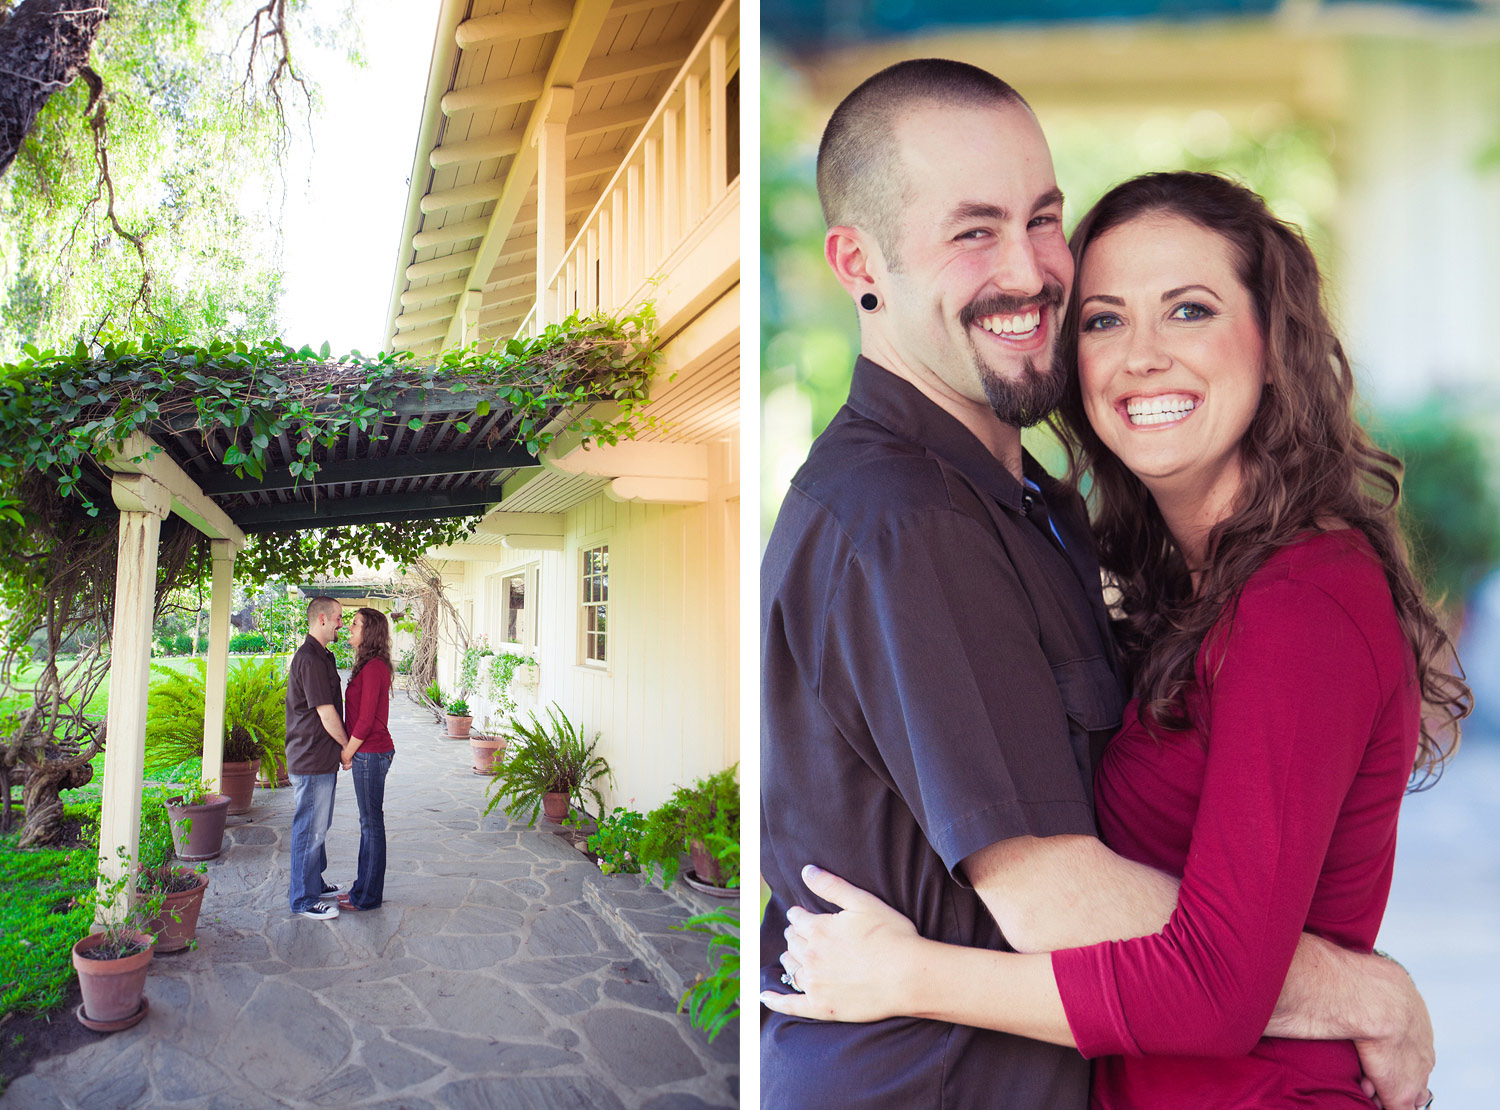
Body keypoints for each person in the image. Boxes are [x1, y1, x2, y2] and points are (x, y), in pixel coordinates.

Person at [759, 59, 1441, 1109]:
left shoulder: (1047, 510)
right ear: (860, 263)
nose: (1031, 272)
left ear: (1273, 337)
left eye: (1043, 220)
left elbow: (1209, 945)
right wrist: (1364, 995)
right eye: (973, 231)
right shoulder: (911, 522)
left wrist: (1371, 993)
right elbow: (1060, 903)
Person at [284, 595, 350, 920]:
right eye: (338, 617)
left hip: (322, 758)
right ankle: (304, 899)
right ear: (321, 619)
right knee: (309, 828)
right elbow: (326, 713)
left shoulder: (324, 656)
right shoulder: (309, 658)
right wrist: (348, 746)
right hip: (310, 760)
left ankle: (314, 881)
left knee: (319, 826)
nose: (342, 623)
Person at [337, 607, 394, 912]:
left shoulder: (374, 668)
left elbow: (367, 720)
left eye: (355, 624)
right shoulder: (369, 665)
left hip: (370, 753)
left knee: (371, 825)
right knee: (368, 824)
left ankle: (367, 897)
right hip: (368, 752)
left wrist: (348, 751)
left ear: (369, 631)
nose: (349, 627)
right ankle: (362, 888)